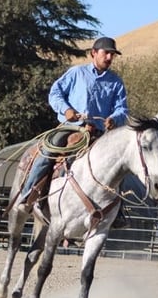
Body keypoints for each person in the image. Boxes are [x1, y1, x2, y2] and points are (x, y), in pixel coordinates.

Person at [17, 36, 129, 223]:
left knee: (118, 165)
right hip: (70, 128)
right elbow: (55, 92)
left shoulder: (116, 82)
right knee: (47, 152)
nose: (109, 57)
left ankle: (117, 211)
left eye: (112, 54)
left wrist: (114, 119)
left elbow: (122, 109)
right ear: (94, 53)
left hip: (98, 133)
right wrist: (66, 109)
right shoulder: (76, 73)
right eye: (106, 53)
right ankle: (28, 194)